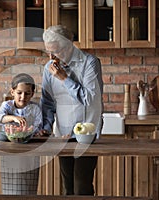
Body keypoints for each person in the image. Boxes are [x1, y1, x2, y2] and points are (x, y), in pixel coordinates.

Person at [39, 25, 103, 195]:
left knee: (82, 186)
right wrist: (45, 127)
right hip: (63, 134)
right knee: (68, 187)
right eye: (48, 52)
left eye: (56, 52)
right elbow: (47, 102)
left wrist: (64, 78)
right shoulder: (48, 68)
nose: (52, 57)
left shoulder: (90, 63)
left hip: (86, 135)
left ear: (69, 46)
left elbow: (91, 99)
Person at [0, 73, 42, 195]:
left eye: (27, 93)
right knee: (10, 186)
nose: (23, 97)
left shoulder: (35, 108)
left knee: (28, 186)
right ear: (12, 92)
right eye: (19, 93)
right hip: (9, 150)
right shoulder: (7, 106)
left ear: (32, 94)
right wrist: (12, 118)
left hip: (30, 151)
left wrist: (38, 131)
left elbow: (38, 127)